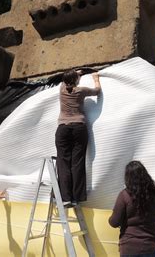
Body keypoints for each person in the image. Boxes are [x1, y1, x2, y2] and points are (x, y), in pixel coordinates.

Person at [55, 69, 101, 207]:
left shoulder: (62, 89)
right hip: (79, 128)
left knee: (63, 163)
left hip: (63, 128)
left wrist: (75, 73)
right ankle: (77, 198)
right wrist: (96, 78)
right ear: (76, 80)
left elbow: (66, 80)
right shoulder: (81, 91)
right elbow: (97, 91)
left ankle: (66, 198)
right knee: (77, 162)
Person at [109, 161, 155, 257]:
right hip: (151, 246)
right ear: (145, 175)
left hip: (129, 248)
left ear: (128, 177)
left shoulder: (125, 195)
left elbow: (114, 222)